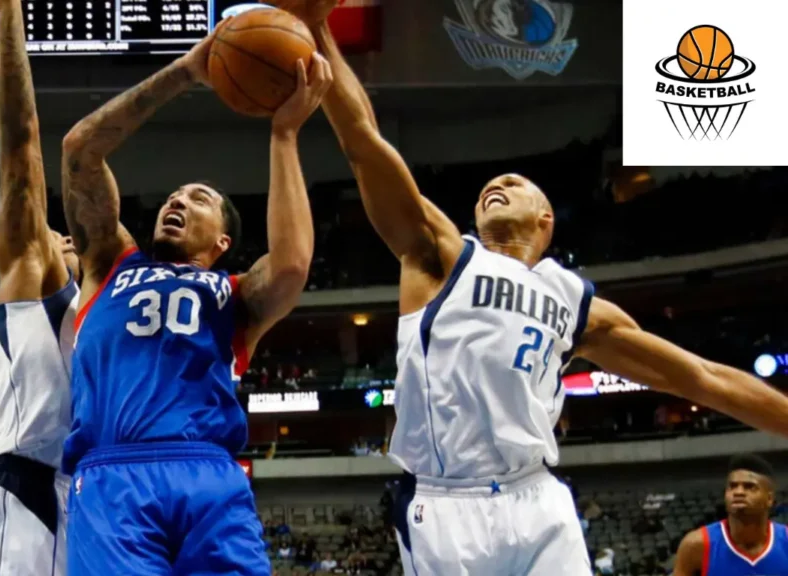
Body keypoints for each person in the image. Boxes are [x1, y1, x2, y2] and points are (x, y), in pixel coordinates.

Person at [274, 2, 788, 574]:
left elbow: (703, 377)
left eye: (516, 184)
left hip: (539, 498)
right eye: (489, 187)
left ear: (547, 219)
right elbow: (363, 142)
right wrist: (319, 27)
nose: (498, 184)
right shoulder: (442, 255)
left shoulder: (576, 302)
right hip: (447, 503)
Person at [59, 20, 332, 576]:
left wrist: (284, 136)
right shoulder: (110, 262)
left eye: (198, 198)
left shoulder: (235, 296)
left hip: (209, 476)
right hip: (114, 477)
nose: (177, 201)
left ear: (224, 240)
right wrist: (186, 71)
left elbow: (293, 264)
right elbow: (80, 151)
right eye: (173, 196)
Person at [0, 0, 81, 574]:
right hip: (15, 486)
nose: (63, 237)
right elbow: (19, 139)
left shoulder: (97, 306)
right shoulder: (31, 274)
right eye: (54, 232)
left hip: (73, 492)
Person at [673, 454, 788, 575]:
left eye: (749, 487)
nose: (738, 492)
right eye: (732, 486)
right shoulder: (696, 545)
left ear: (769, 498)